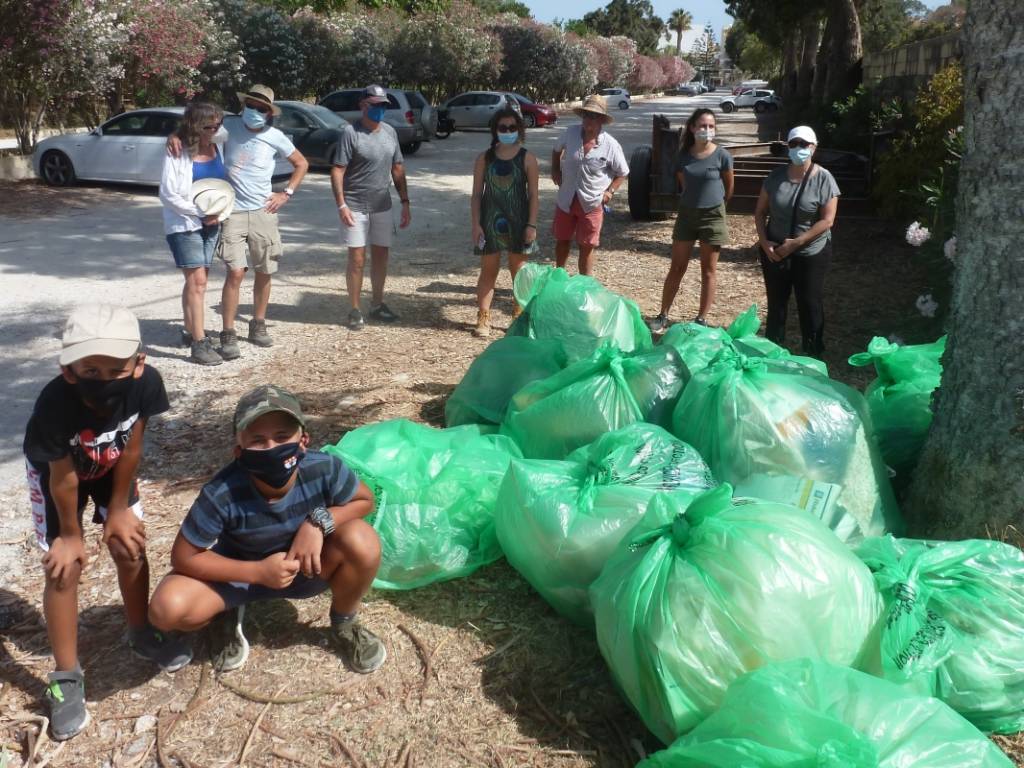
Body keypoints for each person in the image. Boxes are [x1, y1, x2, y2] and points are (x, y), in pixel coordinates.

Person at [23, 305, 190, 741]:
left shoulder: (146, 385)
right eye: (90, 368)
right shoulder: (54, 402)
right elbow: (61, 474)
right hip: (59, 477)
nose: (103, 377)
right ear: (69, 369)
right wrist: (72, 536)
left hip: (113, 466)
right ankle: (65, 678)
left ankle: (141, 631)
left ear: (139, 363)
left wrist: (117, 509)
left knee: (129, 545)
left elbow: (132, 445)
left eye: (116, 367)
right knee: (65, 569)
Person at [147, 385, 386, 676]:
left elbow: (365, 500)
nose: (272, 447)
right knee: (166, 609)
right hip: (240, 576)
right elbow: (184, 557)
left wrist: (318, 522)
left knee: (362, 539)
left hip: (307, 569)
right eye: (258, 440)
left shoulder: (325, 468)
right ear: (239, 450)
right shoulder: (221, 492)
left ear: (303, 441)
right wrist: (257, 572)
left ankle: (344, 622)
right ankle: (223, 615)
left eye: (283, 437)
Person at [170, 85, 309, 357]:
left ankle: (258, 324)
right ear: (244, 106)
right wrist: (175, 135)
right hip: (231, 211)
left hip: (263, 212)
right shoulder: (229, 127)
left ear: (269, 114)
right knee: (235, 272)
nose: (255, 112)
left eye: (262, 109)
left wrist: (286, 193)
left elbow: (301, 163)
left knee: (265, 269)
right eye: (251, 106)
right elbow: (197, 130)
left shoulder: (276, 137)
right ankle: (228, 331)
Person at [754, 125, 840, 356]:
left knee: (809, 303)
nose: (799, 149)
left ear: (814, 147)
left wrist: (797, 242)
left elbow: (827, 220)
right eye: (794, 144)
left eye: (804, 144)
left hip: (811, 252)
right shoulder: (775, 177)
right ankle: (772, 353)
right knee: (776, 303)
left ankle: (813, 352)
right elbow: (760, 212)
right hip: (775, 251)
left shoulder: (824, 178)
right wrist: (764, 242)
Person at [331, 84, 411, 330]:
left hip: (382, 205)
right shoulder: (350, 133)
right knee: (357, 259)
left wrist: (405, 202)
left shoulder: (389, 132)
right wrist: (341, 204)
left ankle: (377, 304)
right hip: (355, 206)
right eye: (375, 104)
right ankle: (354, 309)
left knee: (381, 257)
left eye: (383, 105)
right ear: (363, 105)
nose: (380, 109)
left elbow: (397, 168)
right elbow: (338, 170)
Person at [649, 108, 734, 332]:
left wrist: (719, 205)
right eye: (702, 126)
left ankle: (701, 319)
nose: (706, 130)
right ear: (693, 128)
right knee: (677, 267)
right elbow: (683, 181)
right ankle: (663, 314)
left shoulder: (722, 155)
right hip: (687, 214)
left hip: (713, 215)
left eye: (711, 126)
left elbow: (729, 185)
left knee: (708, 270)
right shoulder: (683, 155)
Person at [159, 101, 229, 365]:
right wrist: (199, 212)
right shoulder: (177, 151)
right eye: (208, 126)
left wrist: (216, 213)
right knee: (197, 282)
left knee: (197, 282)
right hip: (185, 223)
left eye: (217, 124)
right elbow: (168, 194)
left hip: (212, 223)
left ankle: (191, 330)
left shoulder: (218, 144)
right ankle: (200, 344)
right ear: (194, 125)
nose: (214, 130)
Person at [469, 107, 539, 337]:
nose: (507, 131)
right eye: (502, 127)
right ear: (495, 130)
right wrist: (475, 224)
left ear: (519, 129)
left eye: (512, 127)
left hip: (519, 221)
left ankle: (518, 318)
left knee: (518, 272)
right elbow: (477, 194)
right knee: (488, 270)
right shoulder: (484, 158)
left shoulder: (528, 158)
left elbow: (534, 196)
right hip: (490, 220)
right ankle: (483, 318)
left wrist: (532, 225)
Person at [550, 93, 628, 276]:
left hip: (592, 203)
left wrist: (610, 192)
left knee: (586, 246)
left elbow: (623, 172)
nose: (588, 120)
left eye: (593, 116)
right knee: (562, 241)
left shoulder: (610, 145)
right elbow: (556, 150)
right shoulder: (570, 133)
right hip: (566, 200)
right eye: (586, 114)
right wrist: (555, 169)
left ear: (601, 119)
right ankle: (558, 279)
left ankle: (585, 285)